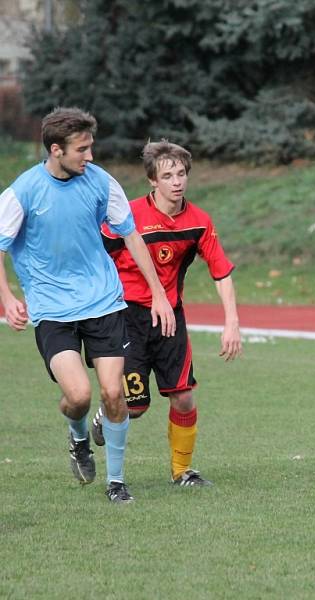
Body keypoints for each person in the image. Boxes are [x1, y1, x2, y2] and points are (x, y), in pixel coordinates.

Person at [0, 107, 175, 503]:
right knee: (78, 396)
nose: (90, 157)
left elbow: (130, 236)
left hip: (103, 302)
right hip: (52, 310)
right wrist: (7, 297)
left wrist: (158, 293)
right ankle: (78, 438)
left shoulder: (100, 183)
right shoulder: (23, 191)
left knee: (115, 395)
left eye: (91, 147)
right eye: (82, 149)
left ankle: (116, 481)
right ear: (56, 150)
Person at [91, 140, 242, 487]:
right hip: (127, 316)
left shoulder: (199, 221)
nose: (177, 181)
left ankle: (182, 471)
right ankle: (106, 412)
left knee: (184, 396)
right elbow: (95, 260)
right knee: (135, 406)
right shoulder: (126, 217)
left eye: (181, 173)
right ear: (152, 181)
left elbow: (221, 271)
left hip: (170, 317)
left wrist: (231, 322)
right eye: (167, 175)